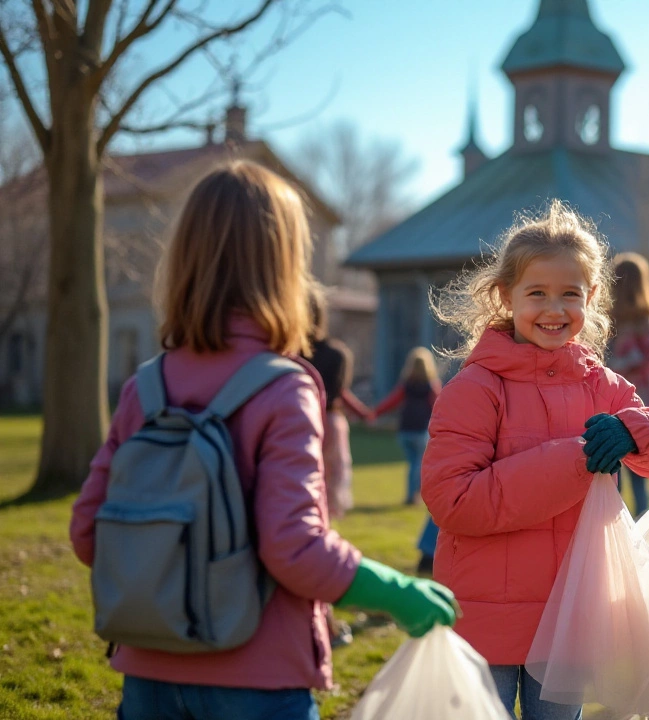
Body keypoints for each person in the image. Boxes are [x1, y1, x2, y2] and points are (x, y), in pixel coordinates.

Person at [68, 161, 457, 720]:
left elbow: (88, 532)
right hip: (258, 681)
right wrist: (398, 592)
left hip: (147, 674)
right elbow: (294, 550)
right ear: (283, 267)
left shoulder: (145, 387)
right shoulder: (285, 388)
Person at [421, 200, 649, 719]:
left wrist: (635, 431)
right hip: (485, 620)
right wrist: (576, 460)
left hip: (569, 618)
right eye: (537, 293)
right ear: (505, 296)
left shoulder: (600, 384)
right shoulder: (475, 388)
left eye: (570, 294)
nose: (554, 308)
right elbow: (453, 502)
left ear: (591, 298)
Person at [301, 288, 374, 521]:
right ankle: (326, 522)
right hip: (331, 419)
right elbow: (341, 392)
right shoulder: (338, 354)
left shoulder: (290, 354)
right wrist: (363, 412)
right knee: (332, 476)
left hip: (300, 417)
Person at [608, 252, 649, 516]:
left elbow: (640, 357)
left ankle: (629, 523)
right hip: (640, 399)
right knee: (628, 470)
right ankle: (630, 522)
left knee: (622, 468)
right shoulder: (637, 318)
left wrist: (613, 365)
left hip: (620, 399)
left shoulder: (636, 318)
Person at [370, 348, 442, 507]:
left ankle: (414, 494)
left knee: (413, 464)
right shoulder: (431, 386)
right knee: (418, 465)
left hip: (405, 430)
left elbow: (391, 401)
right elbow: (440, 406)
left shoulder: (406, 385)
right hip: (421, 429)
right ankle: (413, 496)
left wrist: (375, 413)